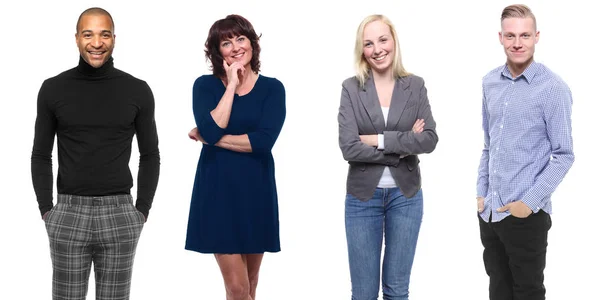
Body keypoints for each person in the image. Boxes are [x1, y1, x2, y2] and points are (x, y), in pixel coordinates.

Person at [31, 7, 160, 300]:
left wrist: (141, 211)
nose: (97, 43)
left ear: (114, 38)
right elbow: (41, 154)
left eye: (104, 34)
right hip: (67, 213)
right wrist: (47, 211)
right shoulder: (53, 89)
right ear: (77, 39)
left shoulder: (137, 90)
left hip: (120, 215)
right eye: (88, 34)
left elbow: (150, 154)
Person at [476, 4, 574, 300]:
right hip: (490, 213)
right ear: (500, 37)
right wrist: (481, 195)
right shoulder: (489, 82)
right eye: (510, 35)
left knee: (528, 292)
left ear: (536, 37)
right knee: (498, 291)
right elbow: (488, 144)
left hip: (526, 216)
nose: (517, 43)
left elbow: (564, 155)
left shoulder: (553, 88)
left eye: (525, 35)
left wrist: (528, 203)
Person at [338, 14, 438, 300]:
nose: (377, 49)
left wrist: (378, 140)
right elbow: (348, 148)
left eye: (383, 40)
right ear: (362, 50)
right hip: (362, 199)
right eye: (368, 44)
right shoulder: (350, 88)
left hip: (405, 197)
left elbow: (429, 139)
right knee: (364, 293)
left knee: (396, 290)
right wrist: (404, 145)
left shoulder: (415, 85)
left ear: (394, 42)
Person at [185, 14, 286, 300]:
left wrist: (210, 138)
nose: (236, 47)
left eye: (240, 39)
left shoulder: (273, 88)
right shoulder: (204, 86)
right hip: (218, 193)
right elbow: (213, 125)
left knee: (251, 284)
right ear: (218, 53)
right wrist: (230, 85)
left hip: (257, 192)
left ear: (252, 43)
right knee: (237, 287)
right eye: (226, 43)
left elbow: (264, 142)